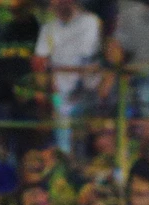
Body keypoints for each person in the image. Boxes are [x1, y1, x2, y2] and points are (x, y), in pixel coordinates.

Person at [33, 0, 106, 156]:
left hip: (89, 95)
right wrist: (46, 92)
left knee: (87, 142)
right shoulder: (49, 29)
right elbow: (41, 62)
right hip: (60, 97)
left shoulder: (90, 22)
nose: (58, 4)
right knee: (63, 140)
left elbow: (94, 62)